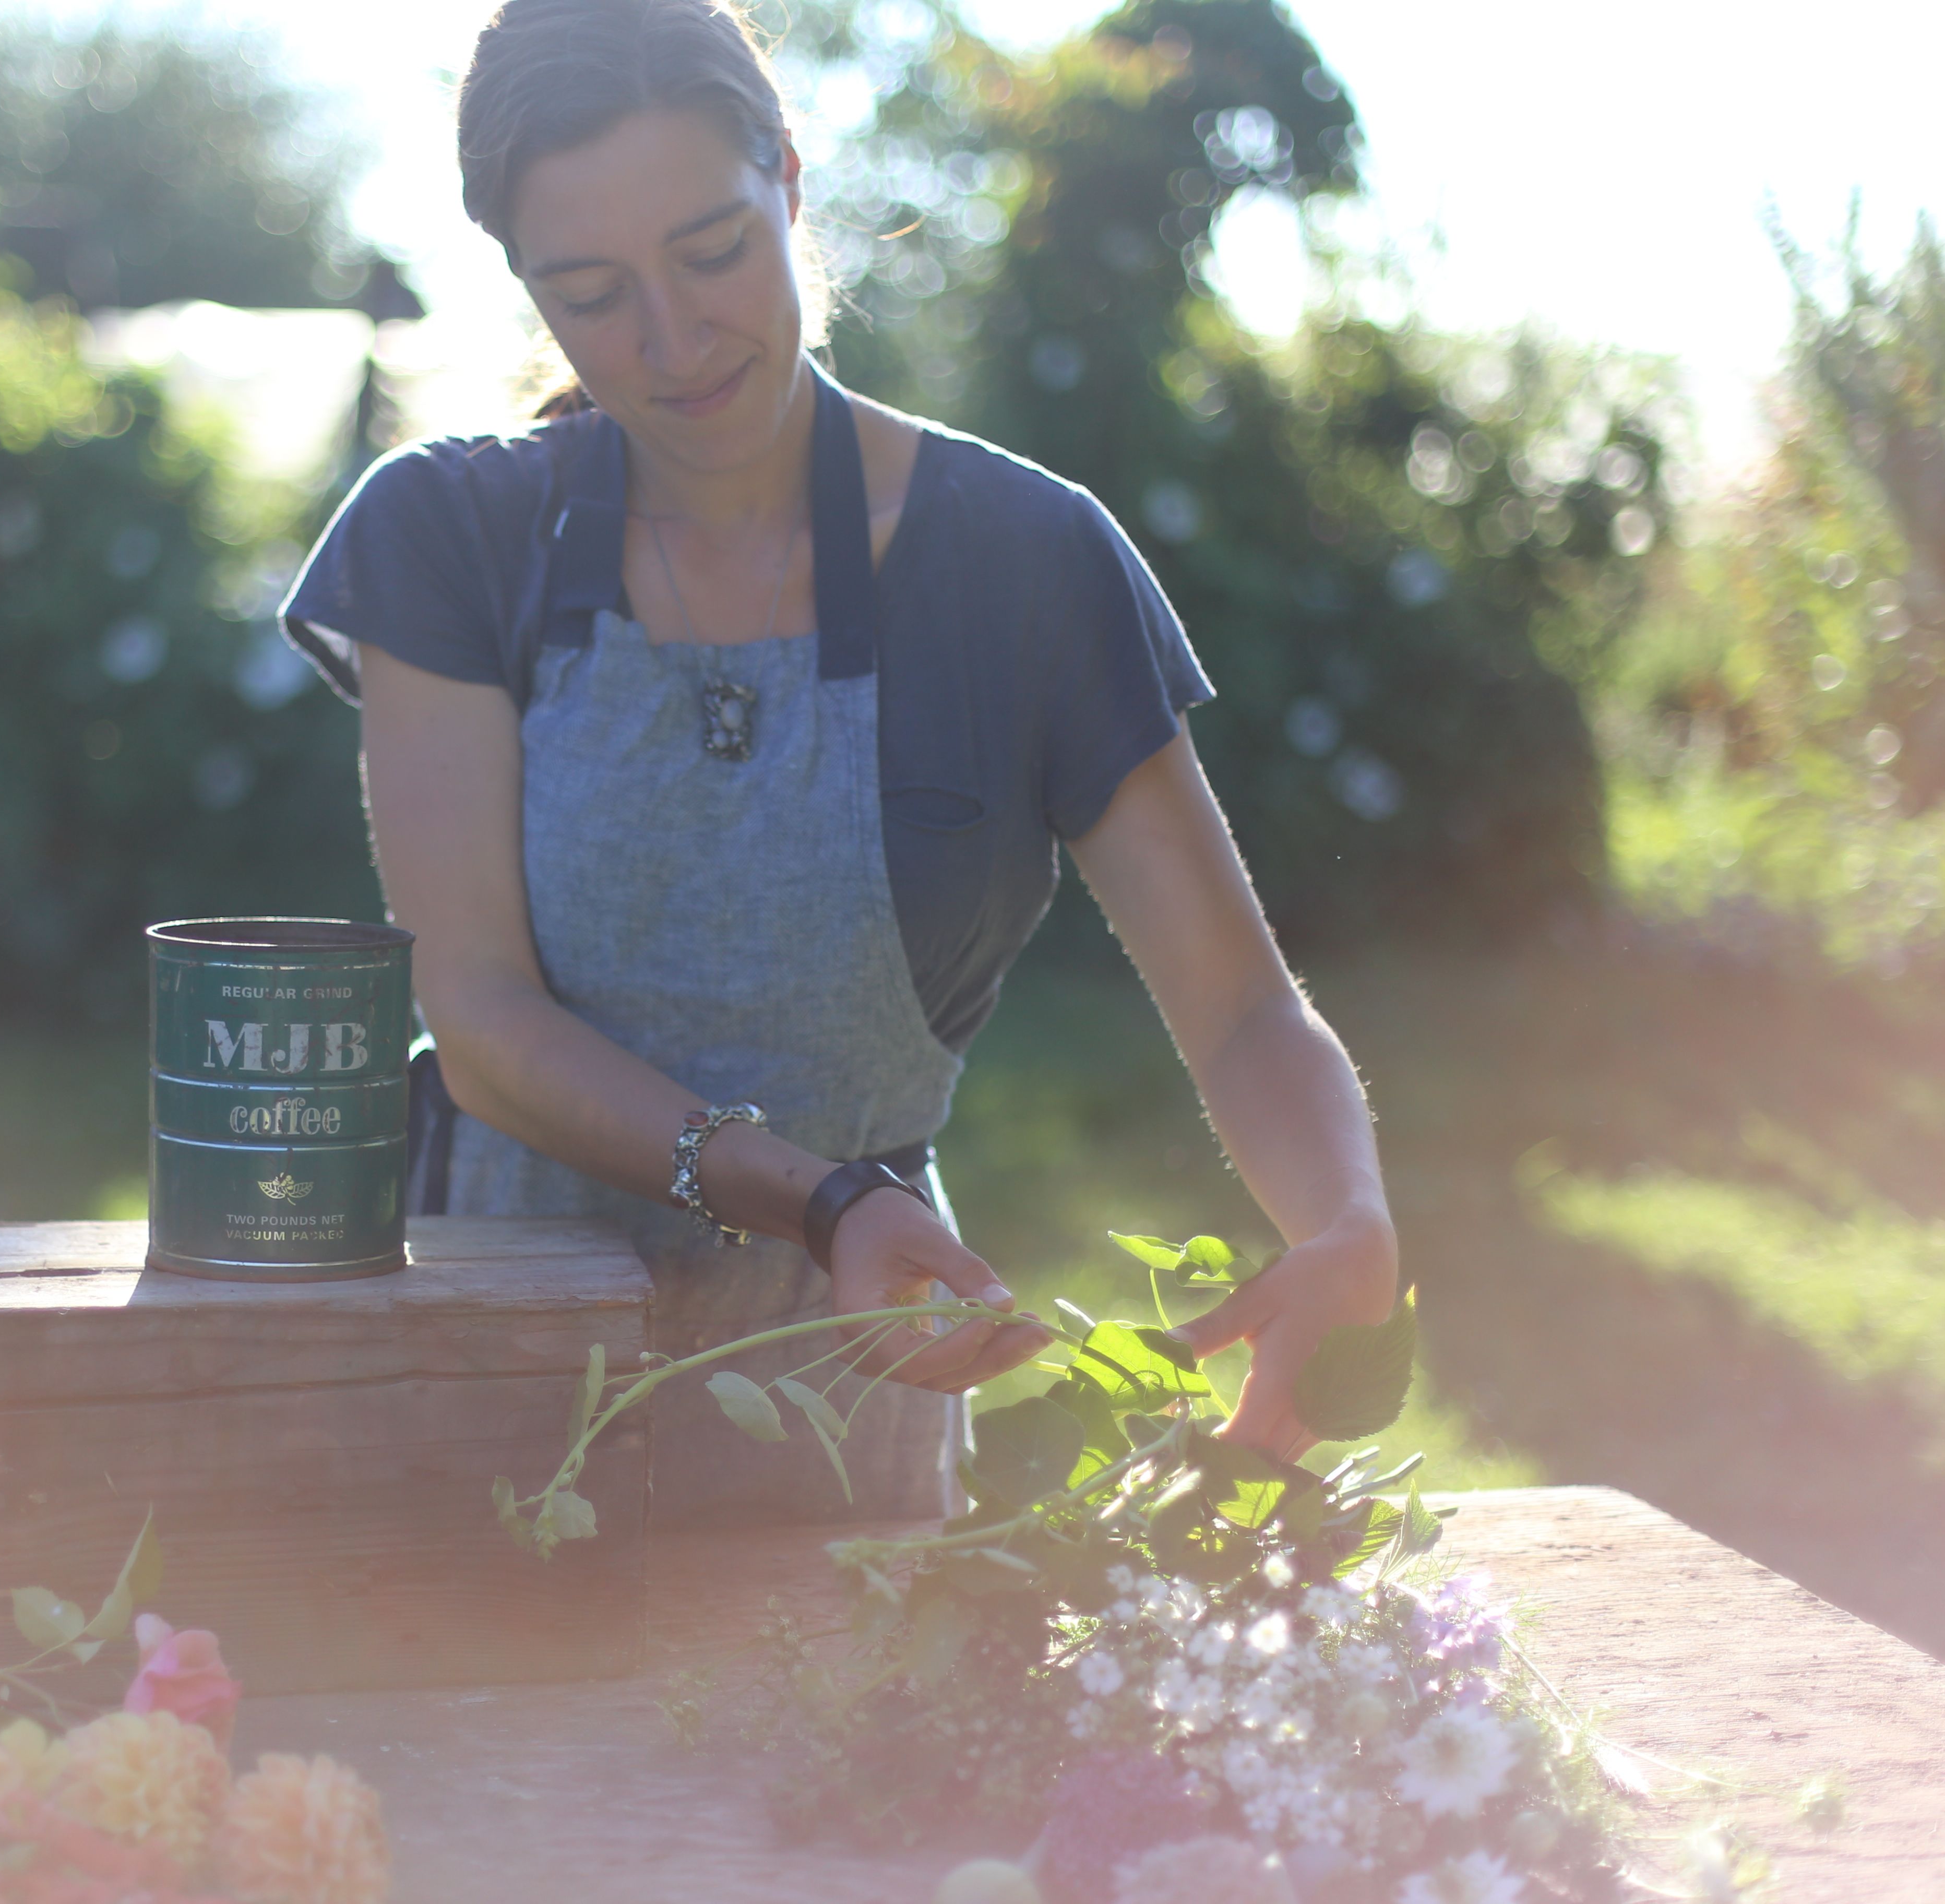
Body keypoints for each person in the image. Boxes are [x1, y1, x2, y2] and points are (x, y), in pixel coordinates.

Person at [281, 0, 1397, 1526]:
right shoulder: (452, 539)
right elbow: (477, 1019)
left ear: (791, 181)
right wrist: (816, 1197)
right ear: (521, 283)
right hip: (491, 1353)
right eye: (593, 293)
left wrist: (1346, 1216)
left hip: (857, 1367)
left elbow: (1247, 1009)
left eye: (714, 252)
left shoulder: (1024, 562)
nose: (671, 343)